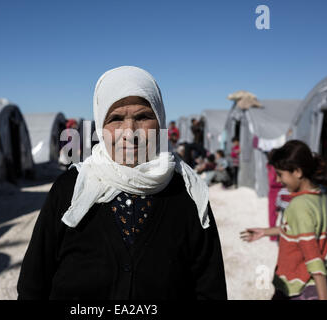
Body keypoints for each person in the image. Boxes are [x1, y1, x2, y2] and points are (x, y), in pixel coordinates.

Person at [17, 66, 227, 300]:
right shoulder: (71, 188)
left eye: (143, 117)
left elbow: (210, 287)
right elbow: (33, 283)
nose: (130, 132)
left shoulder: (187, 191)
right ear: (99, 126)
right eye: (115, 119)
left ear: (160, 121)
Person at [240, 140, 327, 300]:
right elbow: (301, 230)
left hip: (297, 287)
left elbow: (312, 256)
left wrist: (325, 297)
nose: (278, 180)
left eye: (281, 174)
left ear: (297, 172)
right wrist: (266, 232)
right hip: (308, 286)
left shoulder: (298, 206)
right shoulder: (318, 197)